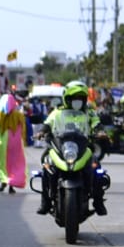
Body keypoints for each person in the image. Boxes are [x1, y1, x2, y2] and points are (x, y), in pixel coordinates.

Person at [37, 80, 109, 217]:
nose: (78, 101)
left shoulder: (90, 112)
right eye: (74, 98)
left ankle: (98, 201)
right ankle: (45, 201)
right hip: (61, 145)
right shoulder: (57, 112)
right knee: (46, 165)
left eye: (81, 98)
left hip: (82, 146)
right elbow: (48, 124)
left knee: (97, 168)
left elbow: (97, 124)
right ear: (67, 98)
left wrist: (100, 132)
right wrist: (42, 132)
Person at [0, 92, 28, 195]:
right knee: (14, 164)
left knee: (2, 163)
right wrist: (23, 140)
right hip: (14, 143)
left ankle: (3, 181)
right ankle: (11, 184)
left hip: (1, 143)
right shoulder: (18, 115)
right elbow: (23, 129)